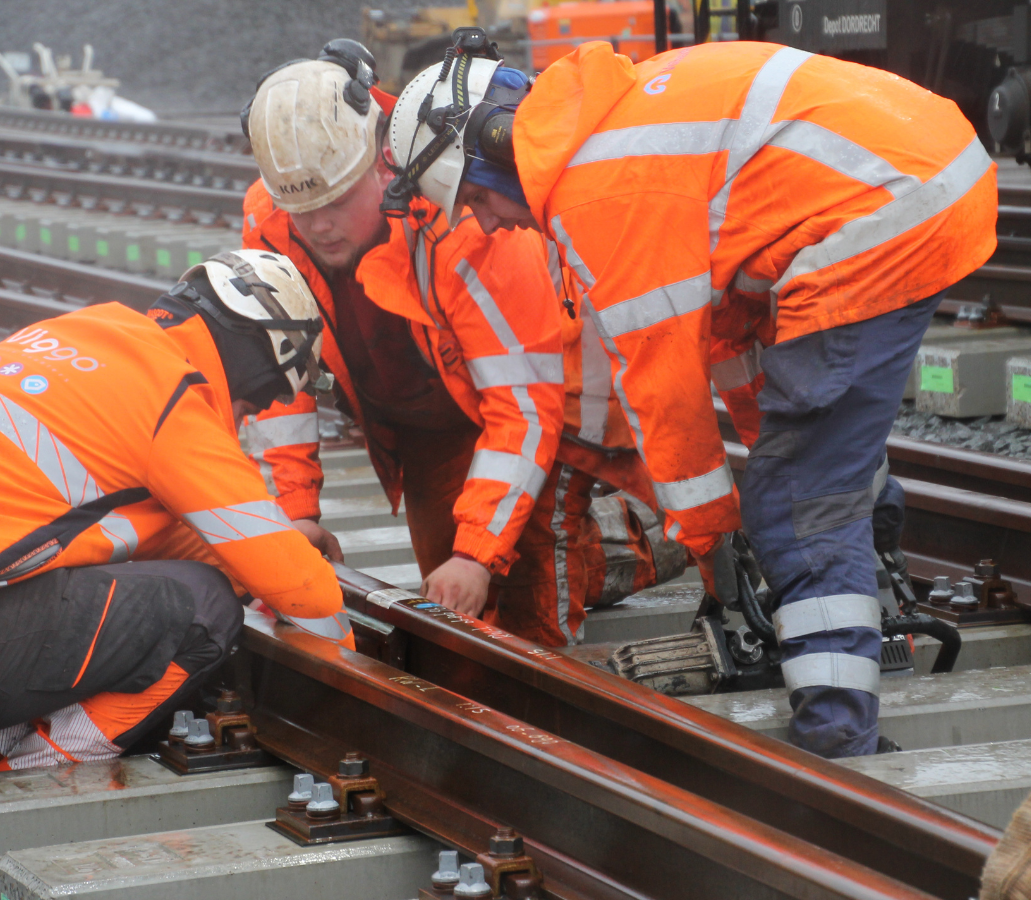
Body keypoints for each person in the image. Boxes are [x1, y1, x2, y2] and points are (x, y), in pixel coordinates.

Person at [388, 32, 997, 757]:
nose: (487, 223)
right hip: (920, 175)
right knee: (805, 460)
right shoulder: (611, 128)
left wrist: (715, 535)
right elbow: (731, 338)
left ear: (496, 145)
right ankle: (867, 543)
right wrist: (758, 473)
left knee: (797, 495)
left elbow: (664, 394)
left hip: (883, 212)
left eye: (479, 198)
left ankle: (837, 738)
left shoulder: (600, 192)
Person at [0, 249, 348, 898]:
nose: (244, 419)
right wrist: (341, 668)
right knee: (201, 612)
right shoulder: (174, 392)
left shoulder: (83, 337)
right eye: (257, 400)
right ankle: (15, 788)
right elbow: (312, 597)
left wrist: (271, 545)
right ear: (259, 354)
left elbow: (158, 545)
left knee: (99, 621)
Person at [239, 41, 681, 648]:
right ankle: (613, 551)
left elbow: (524, 408)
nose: (319, 226)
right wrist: (297, 515)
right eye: (303, 209)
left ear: (381, 163)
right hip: (428, 418)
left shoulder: (466, 222)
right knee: (455, 609)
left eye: (337, 201)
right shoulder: (274, 211)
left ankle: (658, 542)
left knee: (525, 608)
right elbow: (277, 377)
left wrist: (477, 552)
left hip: (543, 392)